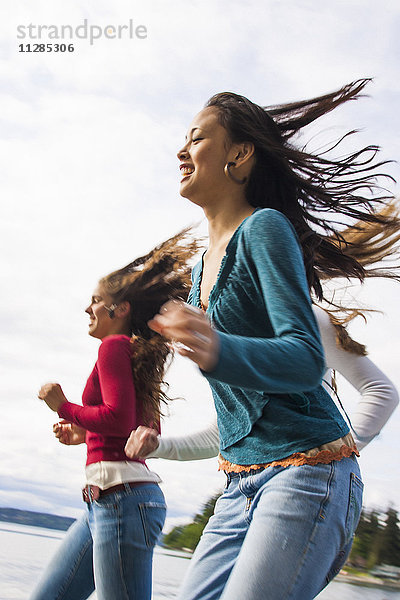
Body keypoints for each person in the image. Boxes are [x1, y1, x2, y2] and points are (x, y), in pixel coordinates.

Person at [143, 81, 399, 599]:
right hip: (239, 486)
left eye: (196, 138)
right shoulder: (198, 276)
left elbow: (306, 360)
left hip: (308, 474)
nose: (181, 149)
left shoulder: (264, 228)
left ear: (240, 153)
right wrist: (162, 446)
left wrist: (220, 350)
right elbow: (244, 416)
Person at [31, 229, 199, 600]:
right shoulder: (132, 353)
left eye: (95, 301)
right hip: (109, 500)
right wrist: (84, 433)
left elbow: (119, 420)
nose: (87, 309)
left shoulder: (113, 347)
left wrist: (64, 406)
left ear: (120, 309)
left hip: (121, 501)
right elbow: (139, 430)